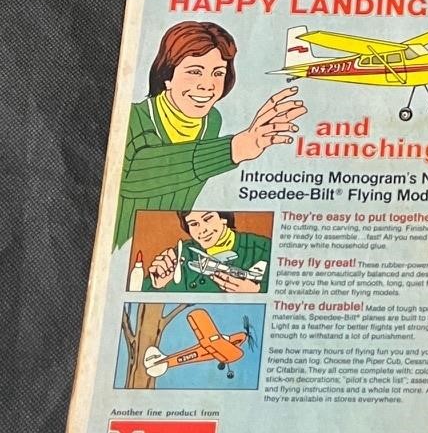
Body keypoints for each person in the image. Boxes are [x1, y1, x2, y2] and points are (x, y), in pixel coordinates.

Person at [115, 21, 306, 249]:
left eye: (218, 73)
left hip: (159, 238)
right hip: (117, 240)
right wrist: (233, 150)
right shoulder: (134, 117)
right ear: (167, 76)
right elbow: (132, 175)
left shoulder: (211, 121)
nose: (207, 85)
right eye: (194, 72)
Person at [145, 210, 272, 294]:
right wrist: (158, 286)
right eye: (193, 224)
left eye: (208, 219)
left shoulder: (264, 247)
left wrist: (256, 291)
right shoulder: (182, 252)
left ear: (224, 218)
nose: (202, 230)